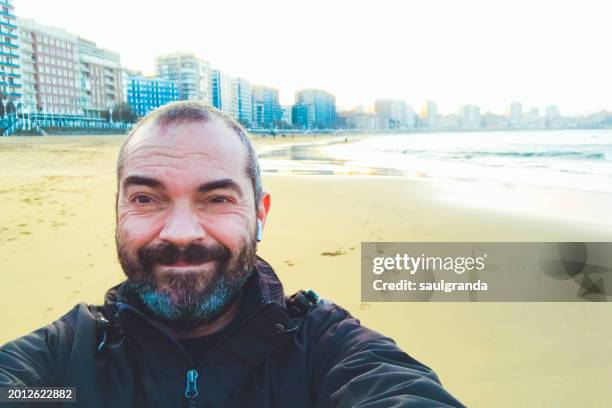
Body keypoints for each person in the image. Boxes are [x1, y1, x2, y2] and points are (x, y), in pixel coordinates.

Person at [0, 102, 465, 407]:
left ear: (260, 213)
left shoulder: (323, 354)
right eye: (146, 198)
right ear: (119, 211)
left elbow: (396, 391)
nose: (181, 233)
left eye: (217, 199)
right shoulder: (64, 370)